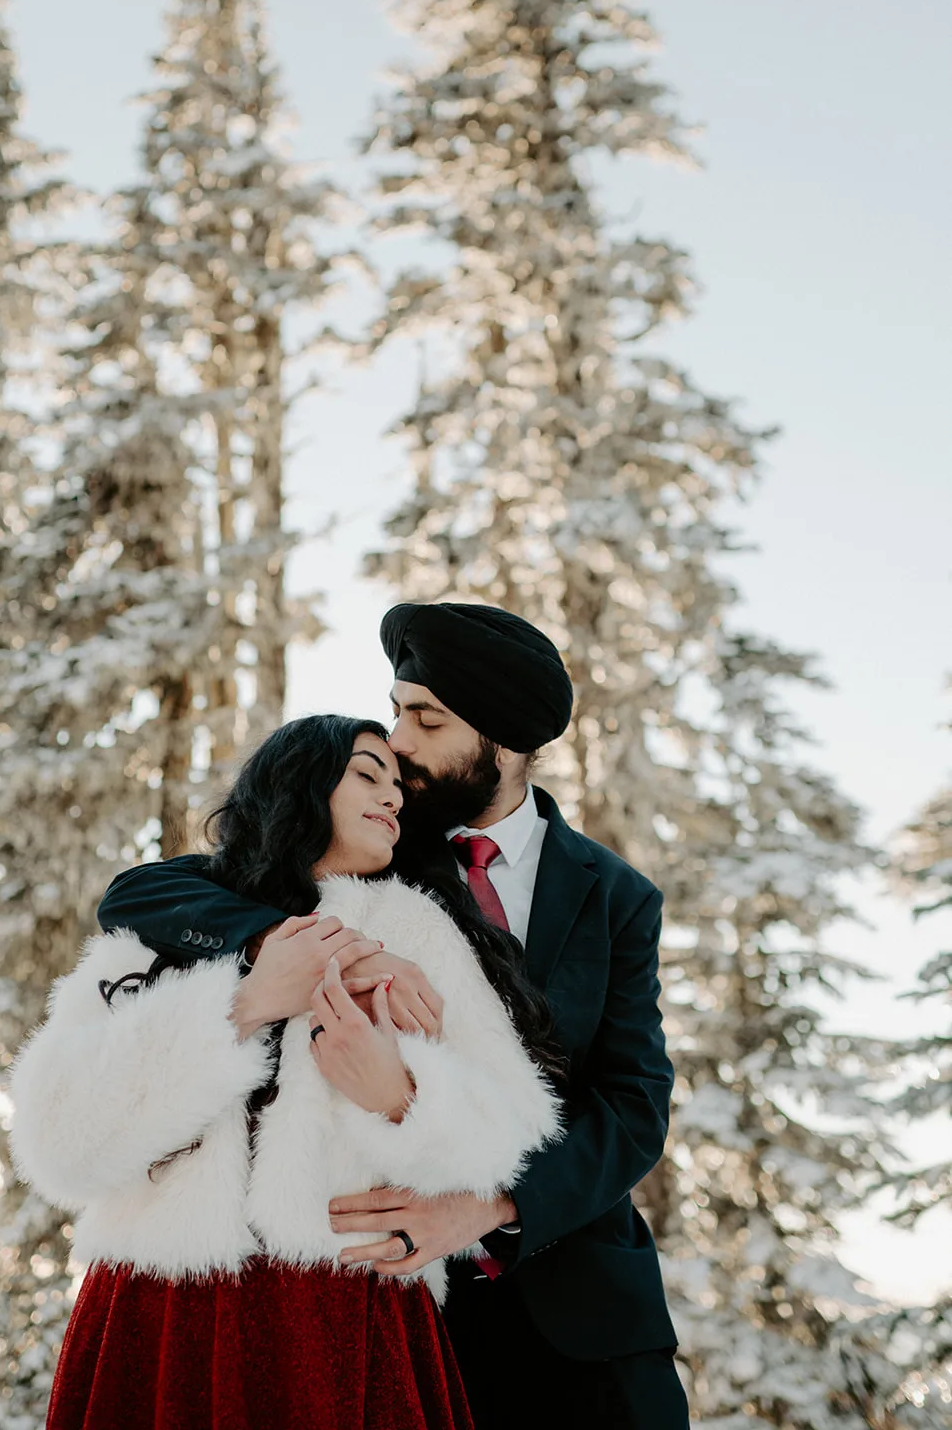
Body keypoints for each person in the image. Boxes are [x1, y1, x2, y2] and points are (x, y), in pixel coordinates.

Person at [98, 602, 691, 1430]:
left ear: (505, 738)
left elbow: (632, 1106)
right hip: (402, 1318)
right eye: (397, 710)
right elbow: (142, 893)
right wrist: (313, 945)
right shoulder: (370, 837)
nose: (399, 740)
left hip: (583, 1314)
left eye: (426, 717)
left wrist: (487, 1210)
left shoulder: (617, 897)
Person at [11, 715, 562, 1430]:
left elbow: (513, 1128)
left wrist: (401, 1095)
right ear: (300, 783)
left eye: (398, 788)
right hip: (161, 1308)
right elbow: (58, 1137)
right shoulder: (165, 924)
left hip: (348, 1313)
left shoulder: (421, 933)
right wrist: (242, 1006)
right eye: (368, 774)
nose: (392, 798)